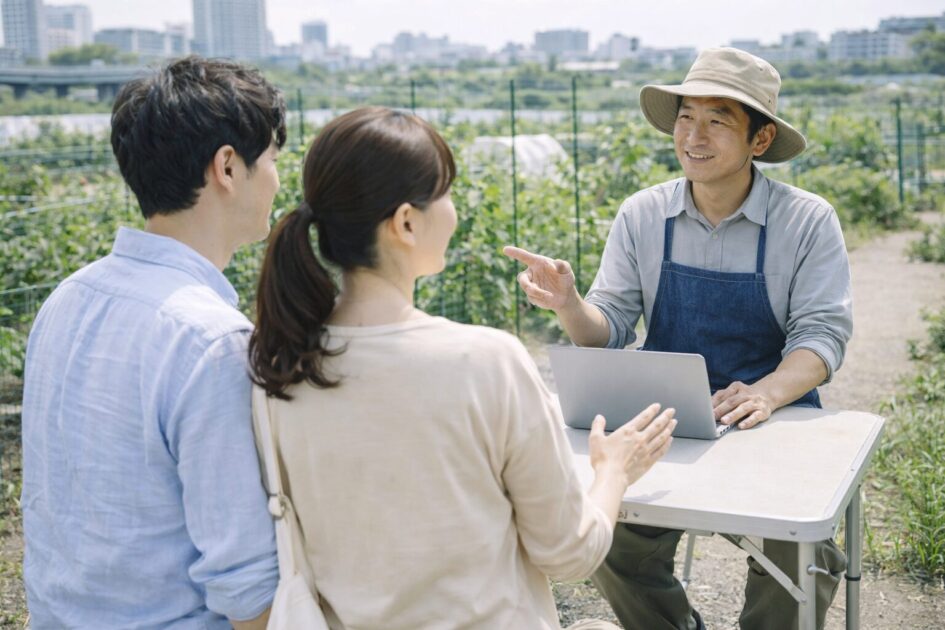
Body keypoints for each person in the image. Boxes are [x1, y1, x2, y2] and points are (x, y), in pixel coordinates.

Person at [248, 106, 677, 630]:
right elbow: (569, 554)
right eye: (446, 194)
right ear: (406, 223)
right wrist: (614, 471)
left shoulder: (277, 367)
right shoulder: (485, 362)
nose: (453, 212)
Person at [504, 47, 853, 630]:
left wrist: (765, 393)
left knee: (803, 553)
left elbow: (822, 336)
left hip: (772, 418)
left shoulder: (807, 220)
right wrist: (569, 304)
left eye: (718, 120)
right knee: (609, 534)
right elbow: (609, 327)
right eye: (686, 117)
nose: (694, 135)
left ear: (761, 139)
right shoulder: (642, 214)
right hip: (664, 420)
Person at [20, 56, 286, 629]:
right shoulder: (212, 342)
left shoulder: (68, 296)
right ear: (227, 167)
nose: (277, 181)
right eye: (271, 160)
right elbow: (247, 591)